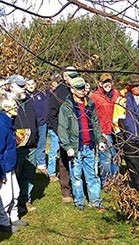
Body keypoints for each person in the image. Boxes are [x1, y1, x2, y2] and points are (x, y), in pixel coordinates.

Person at [58, 77, 106, 211]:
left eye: (83, 87)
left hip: (90, 146)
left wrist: (100, 140)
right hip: (75, 147)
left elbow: (95, 124)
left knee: (93, 175)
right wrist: (67, 147)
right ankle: (79, 202)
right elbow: (62, 128)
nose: (82, 90)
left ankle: (95, 201)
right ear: (72, 90)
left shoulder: (90, 104)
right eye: (78, 88)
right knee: (76, 176)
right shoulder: (66, 107)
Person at [0, 92, 29, 232]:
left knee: (15, 192)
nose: (17, 106)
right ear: (6, 107)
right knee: (5, 195)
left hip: (9, 165)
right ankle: (3, 222)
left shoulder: (9, 123)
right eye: (14, 105)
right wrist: (0, 173)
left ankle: (13, 217)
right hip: (1, 167)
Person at [8, 74, 39, 214]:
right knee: (17, 175)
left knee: (30, 173)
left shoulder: (29, 100)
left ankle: (26, 199)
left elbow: (35, 120)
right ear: (11, 86)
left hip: (31, 144)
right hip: (17, 146)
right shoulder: (7, 103)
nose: (24, 88)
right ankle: (15, 203)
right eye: (20, 86)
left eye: (24, 85)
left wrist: (36, 137)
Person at [48, 66, 80, 203]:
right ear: (65, 78)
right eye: (70, 77)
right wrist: (60, 133)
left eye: (75, 76)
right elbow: (52, 115)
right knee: (64, 163)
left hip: (80, 133)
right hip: (65, 134)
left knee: (80, 161)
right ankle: (66, 190)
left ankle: (79, 188)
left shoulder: (81, 90)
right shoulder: (57, 93)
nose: (73, 79)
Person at [90, 72, 120, 187]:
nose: (107, 84)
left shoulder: (117, 94)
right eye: (105, 82)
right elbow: (92, 116)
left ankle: (116, 180)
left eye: (109, 82)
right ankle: (106, 181)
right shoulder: (95, 97)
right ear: (100, 84)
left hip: (116, 131)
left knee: (116, 156)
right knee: (105, 158)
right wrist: (98, 132)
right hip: (103, 131)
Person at [26, 78, 50, 175]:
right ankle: (30, 162)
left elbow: (46, 107)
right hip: (30, 124)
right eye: (28, 84)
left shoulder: (40, 94)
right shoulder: (24, 97)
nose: (31, 86)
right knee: (31, 143)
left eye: (32, 84)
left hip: (41, 123)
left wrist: (44, 119)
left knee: (41, 143)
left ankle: (41, 163)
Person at [46, 72, 62, 181]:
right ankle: (51, 172)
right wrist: (56, 129)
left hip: (63, 126)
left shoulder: (62, 94)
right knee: (54, 150)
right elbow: (51, 115)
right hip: (54, 127)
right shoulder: (51, 95)